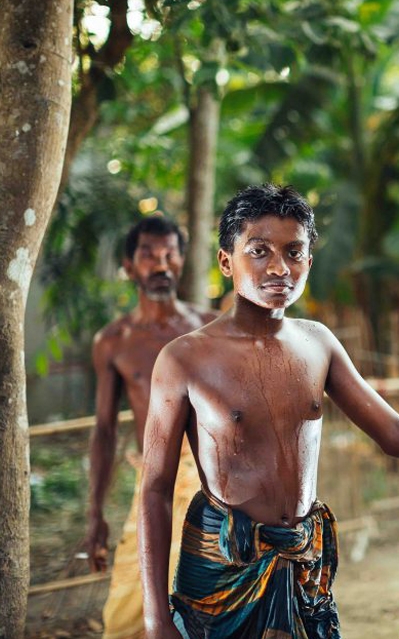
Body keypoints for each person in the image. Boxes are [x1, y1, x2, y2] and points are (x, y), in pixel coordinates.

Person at [137, 184, 399, 639]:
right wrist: (156, 618)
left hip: (303, 564)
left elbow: (394, 432)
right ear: (227, 262)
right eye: (259, 251)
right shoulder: (184, 359)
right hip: (221, 571)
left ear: (308, 262)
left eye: (294, 252)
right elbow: (155, 490)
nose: (279, 267)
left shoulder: (317, 343)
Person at [86, 216, 217, 639]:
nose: (160, 264)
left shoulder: (212, 328)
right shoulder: (114, 341)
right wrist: (95, 514)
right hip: (154, 475)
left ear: (181, 261)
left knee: (214, 593)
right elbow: (104, 431)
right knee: (131, 600)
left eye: (169, 254)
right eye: (148, 255)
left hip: (213, 478)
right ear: (128, 266)